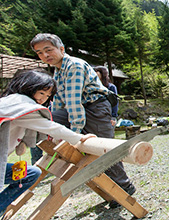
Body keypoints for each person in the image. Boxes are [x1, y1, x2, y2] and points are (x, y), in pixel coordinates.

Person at [30, 33, 136, 208]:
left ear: (61, 49)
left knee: (104, 148)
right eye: (40, 53)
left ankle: (125, 186)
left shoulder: (74, 65)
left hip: (96, 107)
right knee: (47, 117)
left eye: (48, 50)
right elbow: (57, 102)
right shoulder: (57, 71)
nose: (45, 55)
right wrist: (55, 129)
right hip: (82, 108)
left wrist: (75, 135)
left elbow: (73, 102)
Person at [0, 70, 96, 217]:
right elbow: (50, 127)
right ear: (29, 87)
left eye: (47, 96)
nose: (43, 99)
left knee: (31, 174)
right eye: (41, 93)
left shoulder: (11, 102)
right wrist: (78, 138)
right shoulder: (22, 105)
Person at [93, 66, 118, 138]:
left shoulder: (111, 87)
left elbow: (115, 103)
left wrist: (113, 117)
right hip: (96, 117)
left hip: (108, 116)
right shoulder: (92, 87)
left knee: (108, 137)